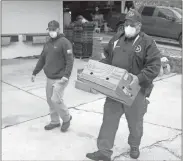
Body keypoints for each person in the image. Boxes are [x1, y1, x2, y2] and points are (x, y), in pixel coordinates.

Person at [86, 9, 161, 161]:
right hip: (115, 89)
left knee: (135, 122)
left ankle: (134, 145)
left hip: (136, 90)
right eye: (126, 23)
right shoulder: (116, 39)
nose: (128, 27)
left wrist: (139, 78)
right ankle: (104, 151)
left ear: (139, 26)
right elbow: (107, 58)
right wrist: (96, 72)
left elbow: (154, 66)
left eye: (131, 24)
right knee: (109, 119)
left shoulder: (147, 42)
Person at [31, 20, 74, 132]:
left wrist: (66, 75)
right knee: (50, 100)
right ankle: (55, 121)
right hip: (50, 77)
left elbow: (70, 60)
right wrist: (35, 72)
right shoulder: (48, 43)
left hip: (61, 77)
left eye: (53, 30)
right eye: (49, 30)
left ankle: (66, 118)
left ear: (58, 29)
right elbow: (42, 59)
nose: (51, 32)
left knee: (56, 99)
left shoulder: (65, 42)